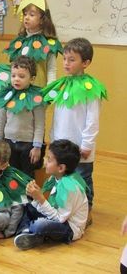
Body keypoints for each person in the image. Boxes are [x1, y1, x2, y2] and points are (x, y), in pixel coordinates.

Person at [42, 38, 107, 223]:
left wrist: (86, 144)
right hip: (62, 146)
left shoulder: (91, 89)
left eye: (72, 60)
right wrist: (53, 139)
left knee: (83, 178)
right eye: (65, 59)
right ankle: (64, 207)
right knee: (63, 179)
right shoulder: (62, 85)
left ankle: (87, 210)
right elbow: (58, 115)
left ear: (85, 63)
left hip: (80, 147)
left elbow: (92, 120)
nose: (66, 63)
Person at [14, 139, 88, 250]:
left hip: (69, 227)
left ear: (61, 168)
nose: (45, 161)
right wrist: (36, 198)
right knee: (27, 205)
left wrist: (40, 199)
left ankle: (31, 231)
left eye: (49, 159)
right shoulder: (57, 177)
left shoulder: (70, 188)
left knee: (40, 225)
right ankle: (27, 232)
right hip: (58, 217)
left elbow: (59, 219)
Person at [0, 55, 46, 178]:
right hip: (8, 142)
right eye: (13, 75)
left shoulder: (36, 98)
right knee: (9, 174)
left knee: (27, 175)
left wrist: (37, 146)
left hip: (28, 145)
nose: (16, 79)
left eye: (21, 76)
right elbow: (1, 119)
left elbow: (40, 125)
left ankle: (28, 197)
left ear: (32, 79)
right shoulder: (7, 95)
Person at [4, 4, 62, 87]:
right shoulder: (19, 42)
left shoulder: (48, 44)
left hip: (39, 90)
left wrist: (50, 89)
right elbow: (13, 67)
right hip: (19, 90)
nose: (26, 17)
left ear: (42, 20)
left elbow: (51, 70)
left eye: (31, 15)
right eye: (25, 14)